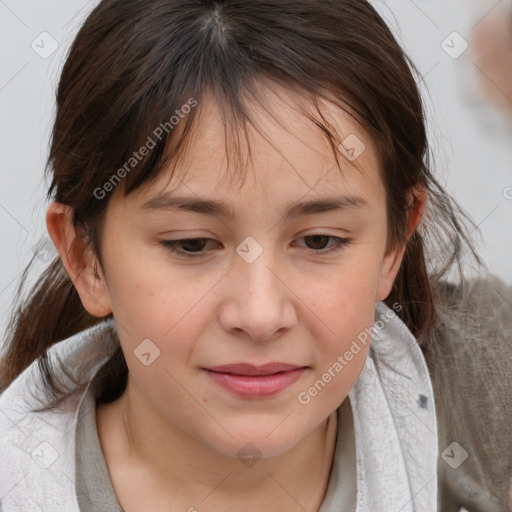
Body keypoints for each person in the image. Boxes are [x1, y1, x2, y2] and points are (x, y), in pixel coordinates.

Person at [0, 0, 510, 510]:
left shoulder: (488, 396)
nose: (260, 315)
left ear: (393, 244)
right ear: (85, 256)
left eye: (319, 241)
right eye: (192, 244)